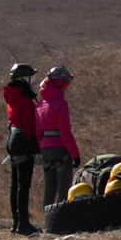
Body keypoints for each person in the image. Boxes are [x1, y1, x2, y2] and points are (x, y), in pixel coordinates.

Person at [0, 62, 41, 235]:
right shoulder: (25, 100)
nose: (33, 81)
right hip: (24, 141)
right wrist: (36, 147)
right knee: (23, 185)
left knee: (15, 183)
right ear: (25, 79)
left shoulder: (13, 96)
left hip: (13, 140)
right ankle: (23, 224)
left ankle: (16, 222)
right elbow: (30, 126)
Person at [35, 65, 81, 210]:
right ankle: (62, 221)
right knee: (64, 188)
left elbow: (38, 132)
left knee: (49, 188)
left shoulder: (40, 105)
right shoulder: (61, 104)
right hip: (61, 151)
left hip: (45, 151)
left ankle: (48, 221)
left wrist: (39, 151)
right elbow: (65, 132)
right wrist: (75, 155)